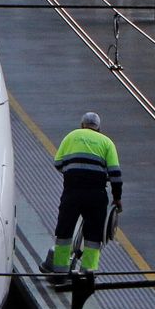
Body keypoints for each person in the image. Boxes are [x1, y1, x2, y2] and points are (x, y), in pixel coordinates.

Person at [42, 111, 122, 276]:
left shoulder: (71, 136)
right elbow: (115, 174)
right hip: (96, 194)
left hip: (72, 192)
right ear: (99, 128)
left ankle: (60, 273)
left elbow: (58, 163)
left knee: (64, 231)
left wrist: (73, 173)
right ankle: (87, 274)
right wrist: (117, 198)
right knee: (94, 236)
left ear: (82, 125)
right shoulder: (107, 142)